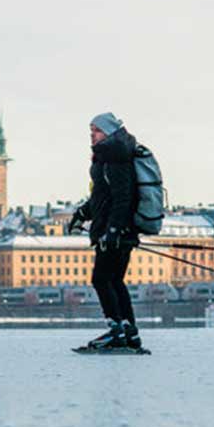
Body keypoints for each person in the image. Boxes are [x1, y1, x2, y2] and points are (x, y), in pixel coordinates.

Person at [68, 112, 141, 350]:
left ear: (108, 133)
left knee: (101, 279)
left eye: (96, 131)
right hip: (120, 230)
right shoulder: (112, 155)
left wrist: (112, 230)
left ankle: (116, 331)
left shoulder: (114, 157)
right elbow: (102, 198)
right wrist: (82, 214)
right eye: (91, 131)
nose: (92, 135)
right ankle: (129, 331)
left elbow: (122, 198)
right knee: (115, 280)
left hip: (115, 233)